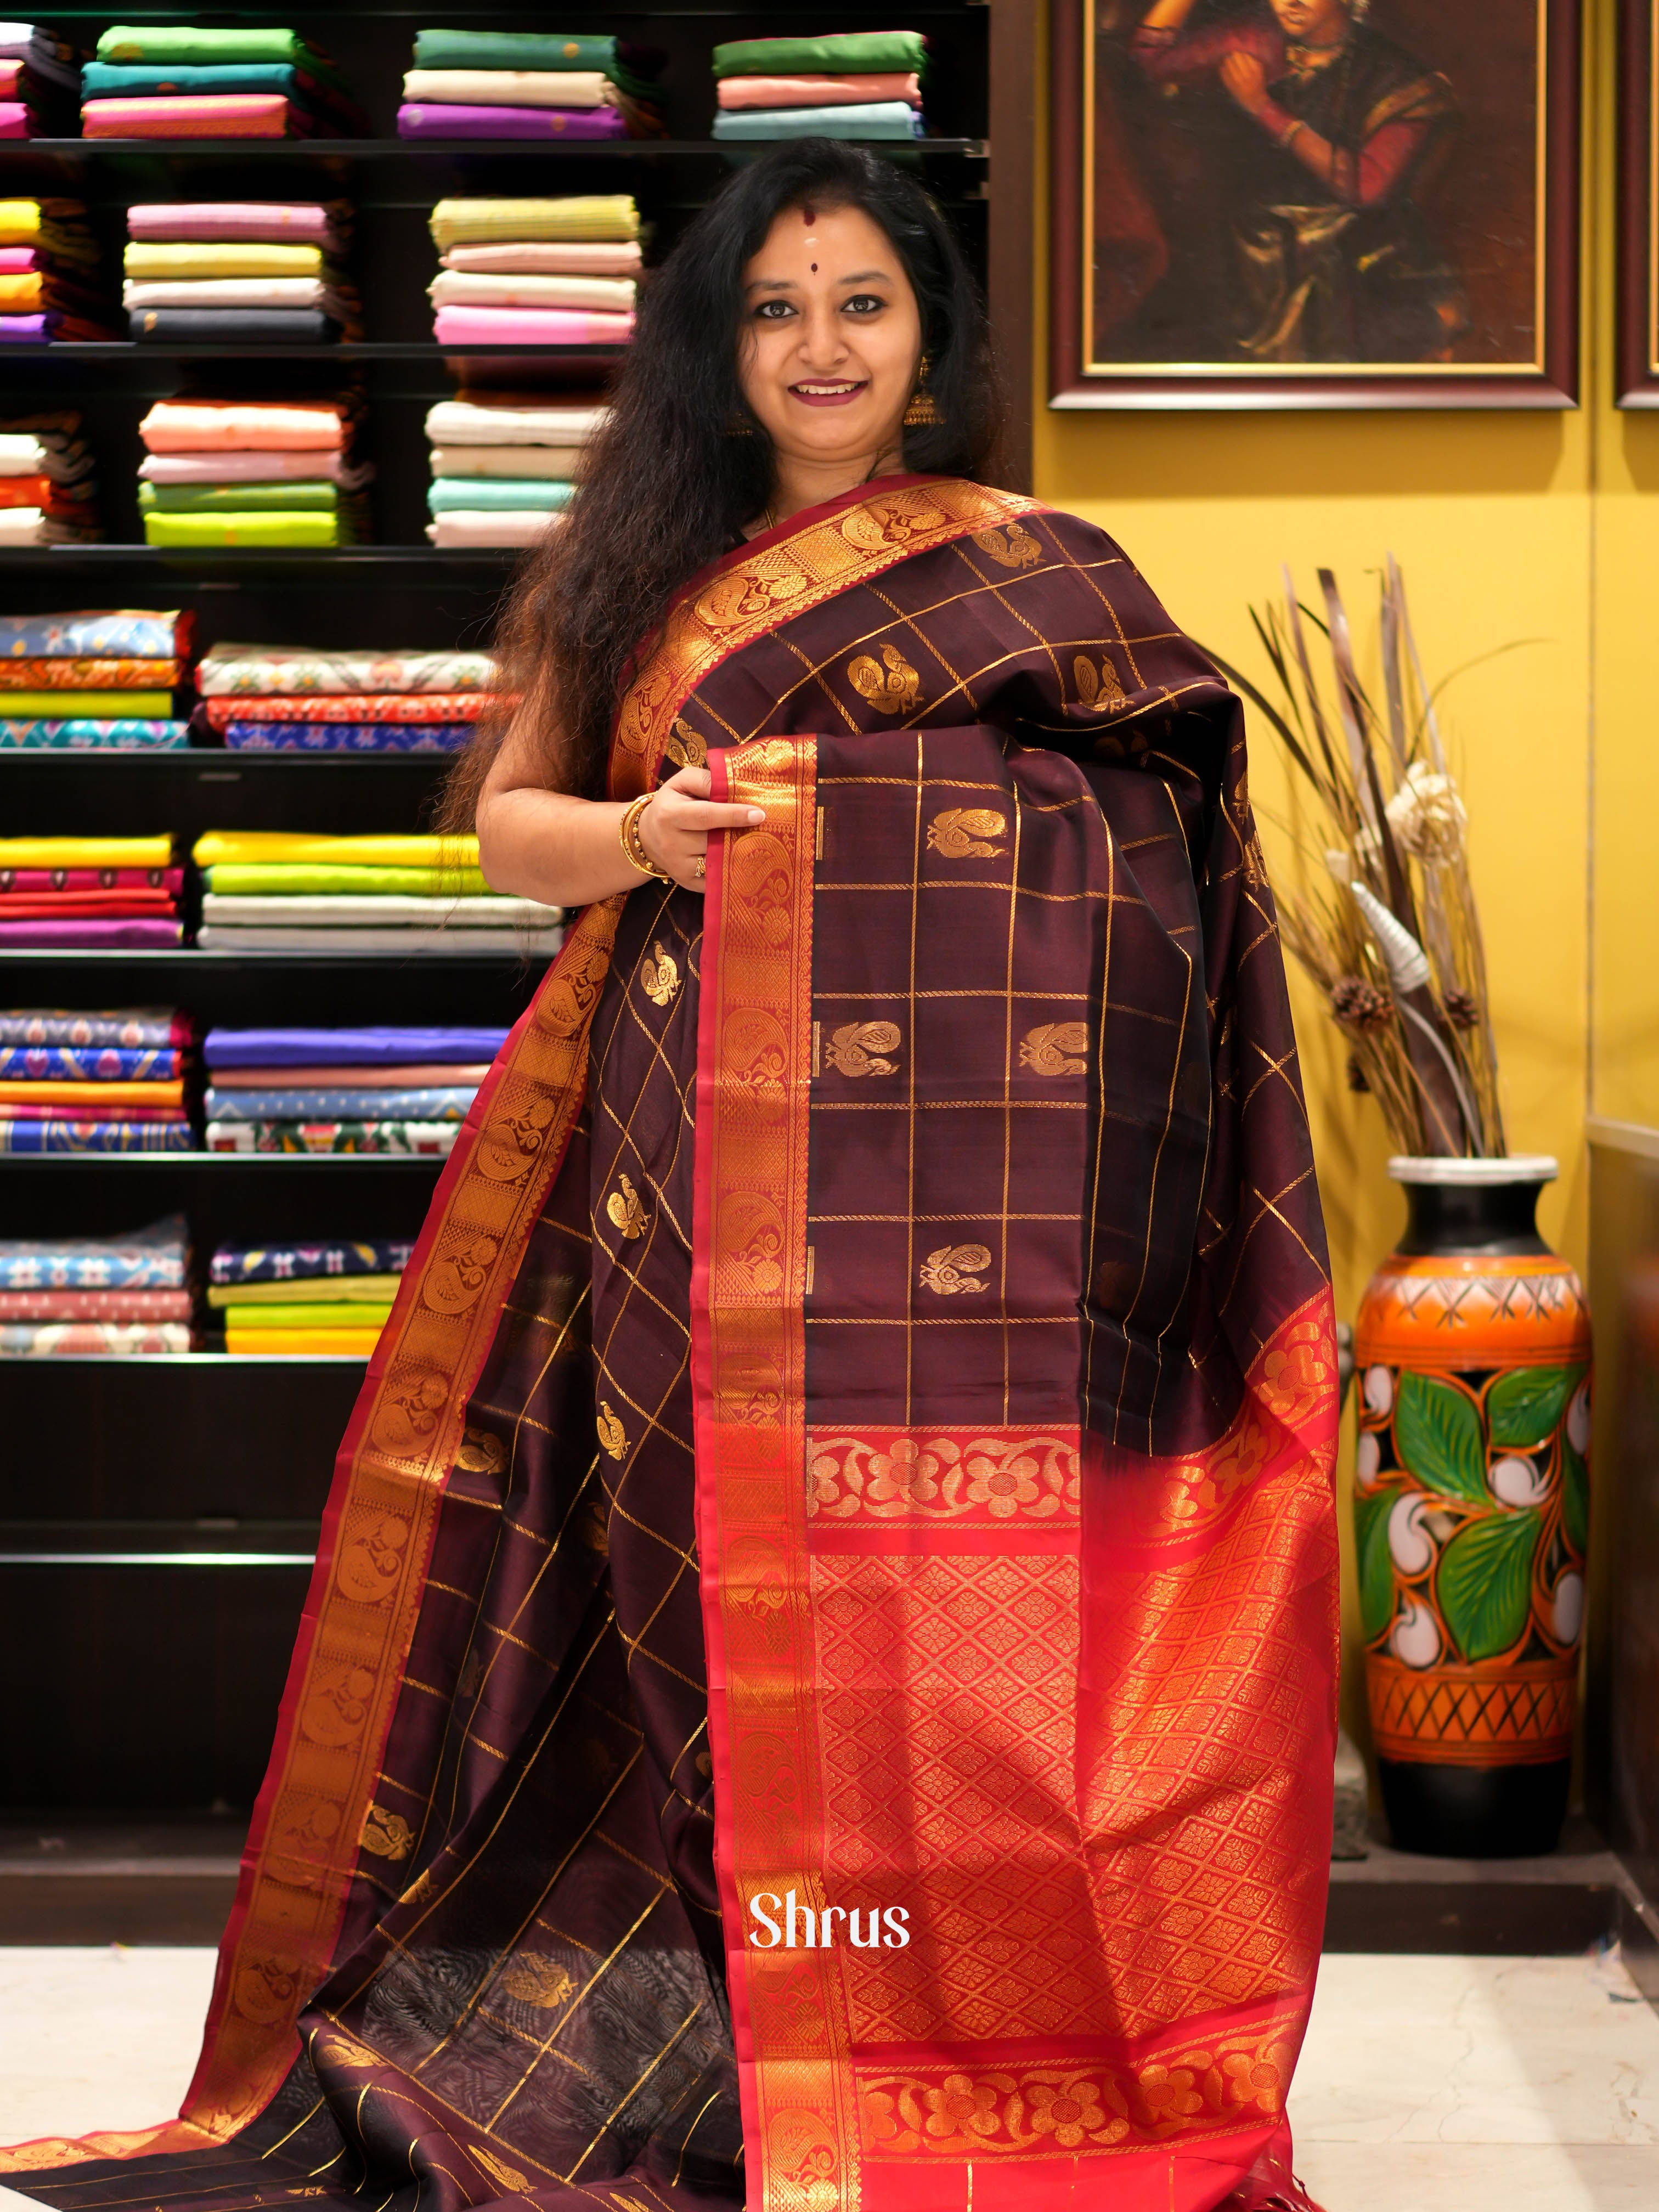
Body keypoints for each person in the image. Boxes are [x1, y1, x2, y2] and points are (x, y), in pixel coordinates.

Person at [0, 142, 1339, 2212]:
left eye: (861, 303)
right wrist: (649, 842)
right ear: (718, 351)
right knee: (693, 1598)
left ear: (927, 338)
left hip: (964, 1223)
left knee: (948, 1626)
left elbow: (1166, 844)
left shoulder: (1040, 562)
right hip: (687, 1182)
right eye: (774, 309)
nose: (820, 346)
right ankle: (737, 2026)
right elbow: (511, 828)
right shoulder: (628, 572)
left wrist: (929, 825)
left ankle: (930, 2028)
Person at [1123, 0, 1463, 361]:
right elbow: (1147, 58)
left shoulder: (1398, 78)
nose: (1291, 1)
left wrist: (1261, 108)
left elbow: (1367, 186)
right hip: (1255, 253)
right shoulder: (1254, 39)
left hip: (1358, 257)